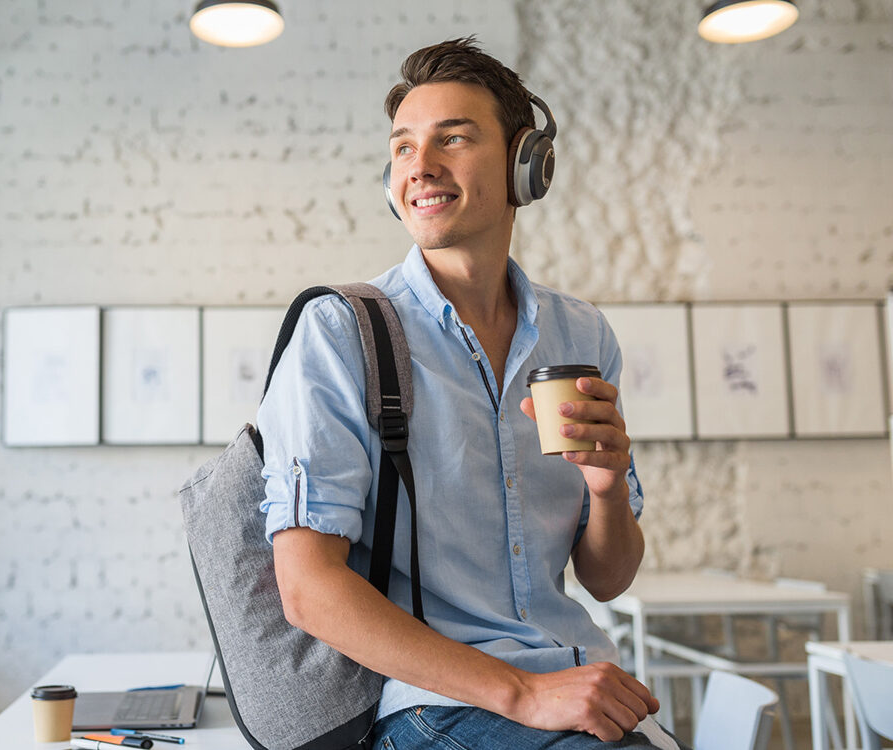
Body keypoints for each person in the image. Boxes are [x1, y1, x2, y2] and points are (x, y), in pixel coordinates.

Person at [256, 37, 679, 749]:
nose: (421, 166)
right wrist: (522, 692)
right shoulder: (340, 332)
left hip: (577, 685)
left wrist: (607, 491)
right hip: (437, 705)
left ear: (527, 163)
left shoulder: (580, 334)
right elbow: (306, 589)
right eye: (403, 148)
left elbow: (607, 579)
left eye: (452, 139)